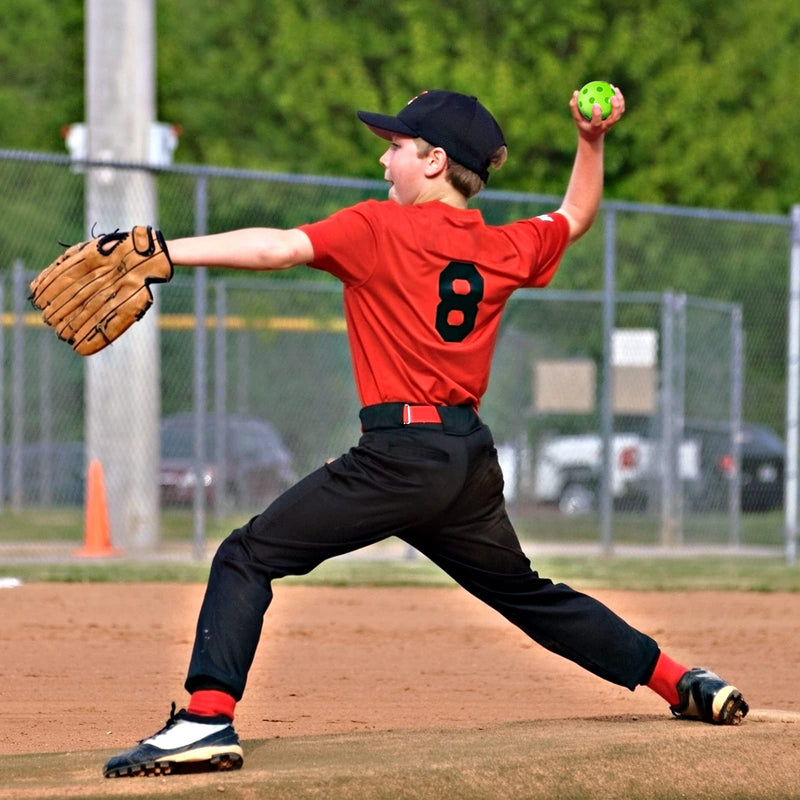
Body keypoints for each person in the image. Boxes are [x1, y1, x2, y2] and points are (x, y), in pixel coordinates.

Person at [103, 86, 748, 778]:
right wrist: (590, 142)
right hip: (463, 458)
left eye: (396, 147)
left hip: (401, 458)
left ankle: (205, 720)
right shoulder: (505, 246)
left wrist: (161, 252)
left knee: (246, 555)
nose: (385, 161)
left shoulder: (380, 228)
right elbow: (576, 214)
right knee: (527, 593)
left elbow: (276, 248)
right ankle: (684, 682)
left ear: (435, 160)